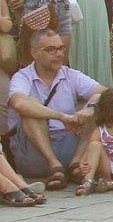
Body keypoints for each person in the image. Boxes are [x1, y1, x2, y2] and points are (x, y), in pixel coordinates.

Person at [8, 29, 99, 188]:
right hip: (36, 154)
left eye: (60, 48)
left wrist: (90, 108)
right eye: (51, 49)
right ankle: (55, 166)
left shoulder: (70, 74)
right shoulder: (22, 76)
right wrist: (61, 116)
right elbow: (19, 103)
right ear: (34, 53)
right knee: (30, 107)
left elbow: (105, 92)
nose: (58, 54)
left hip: (69, 148)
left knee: (98, 105)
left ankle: (75, 164)